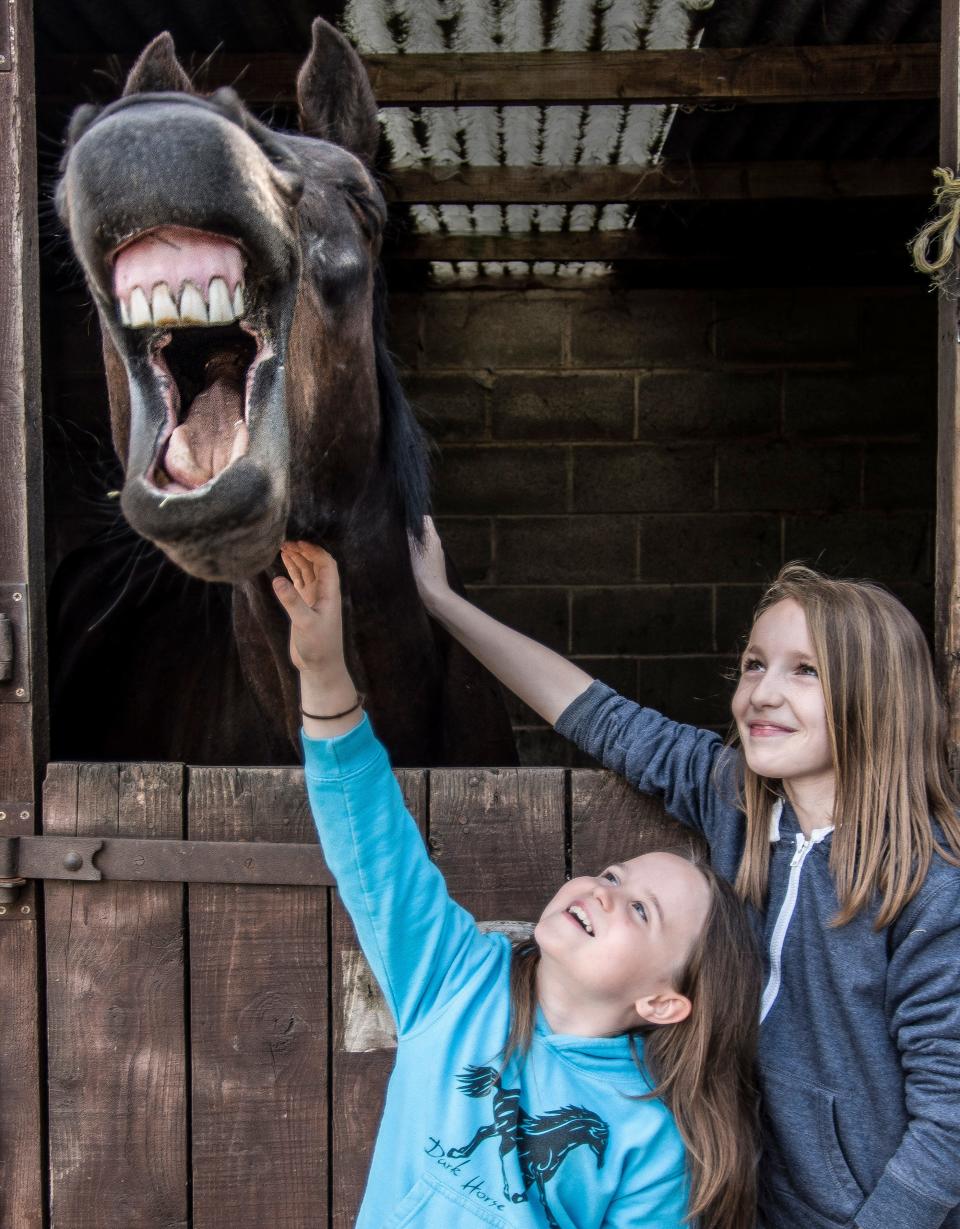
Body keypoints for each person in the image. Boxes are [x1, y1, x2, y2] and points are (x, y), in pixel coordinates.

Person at [407, 517, 960, 1229]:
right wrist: (443, 602)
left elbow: (949, 1118)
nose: (761, 691)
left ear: (879, 697)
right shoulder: (736, 798)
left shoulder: (927, 884)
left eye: (805, 670)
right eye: (755, 663)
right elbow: (593, 712)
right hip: (723, 1207)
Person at [272, 540, 763, 1229]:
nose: (602, 888)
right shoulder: (455, 981)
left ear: (662, 1001)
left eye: (641, 910)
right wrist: (322, 669)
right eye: (614, 874)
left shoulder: (653, 1143)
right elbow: (373, 849)